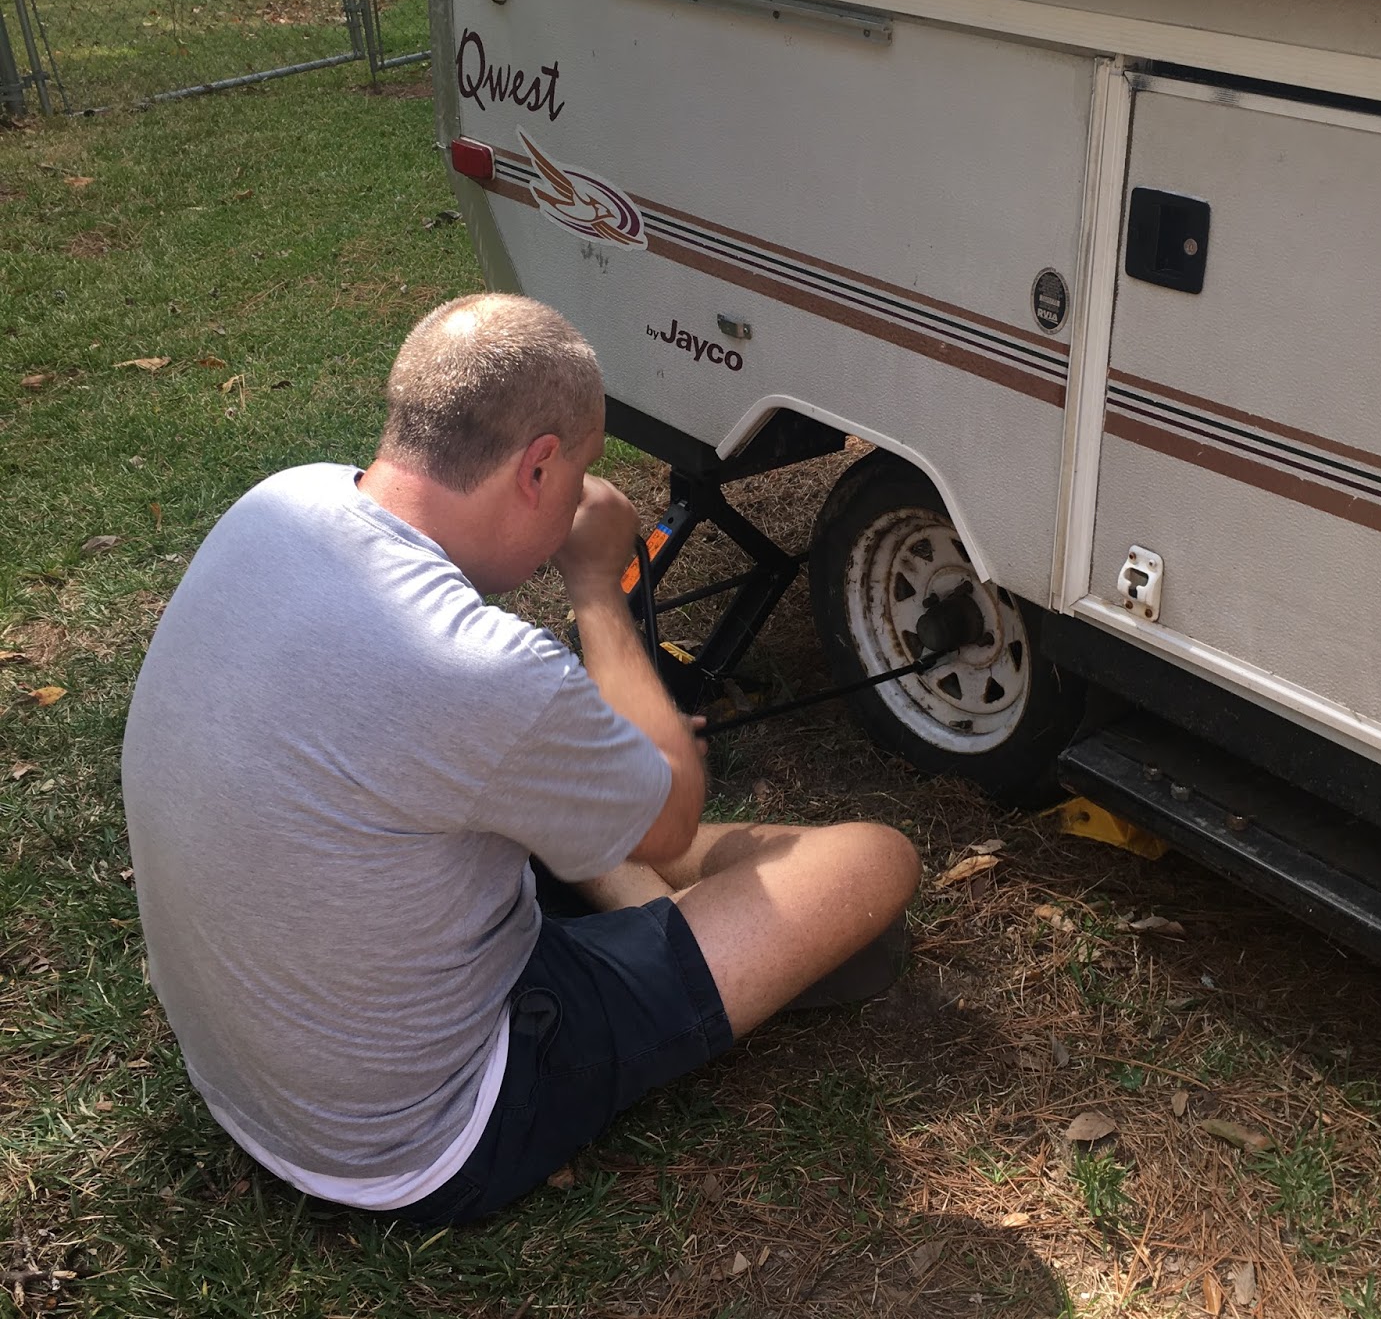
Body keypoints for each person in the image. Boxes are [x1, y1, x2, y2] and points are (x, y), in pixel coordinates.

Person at [120, 293, 921, 1226]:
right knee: (872, 860)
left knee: (584, 800)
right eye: (580, 472)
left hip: (259, 1075)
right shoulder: (482, 670)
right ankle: (656, 895)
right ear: (538, 466)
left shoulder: (280, 501)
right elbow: (672, 815)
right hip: (419, 1139)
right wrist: (597, 586)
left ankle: (634, 869)